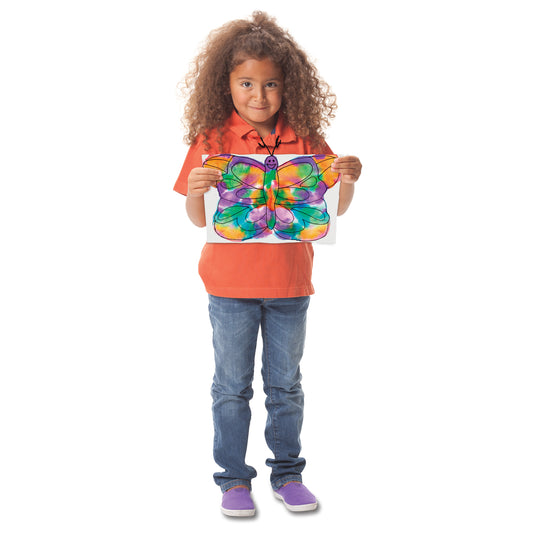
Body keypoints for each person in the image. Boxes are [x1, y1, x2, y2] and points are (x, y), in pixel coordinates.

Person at [174, 11, 362, 517]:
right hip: (228, 287)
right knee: (231, 388)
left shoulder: (306, 138)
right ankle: (234, 479)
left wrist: (347, 181)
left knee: (285, 387)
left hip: (290, 286)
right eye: (247, 83)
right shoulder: (212, 142)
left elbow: (332, 210)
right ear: (227, 85)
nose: (259, 95)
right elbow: (201, 219)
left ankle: (288, 473)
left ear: (288, 86)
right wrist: (194, 191)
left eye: (271, 84)